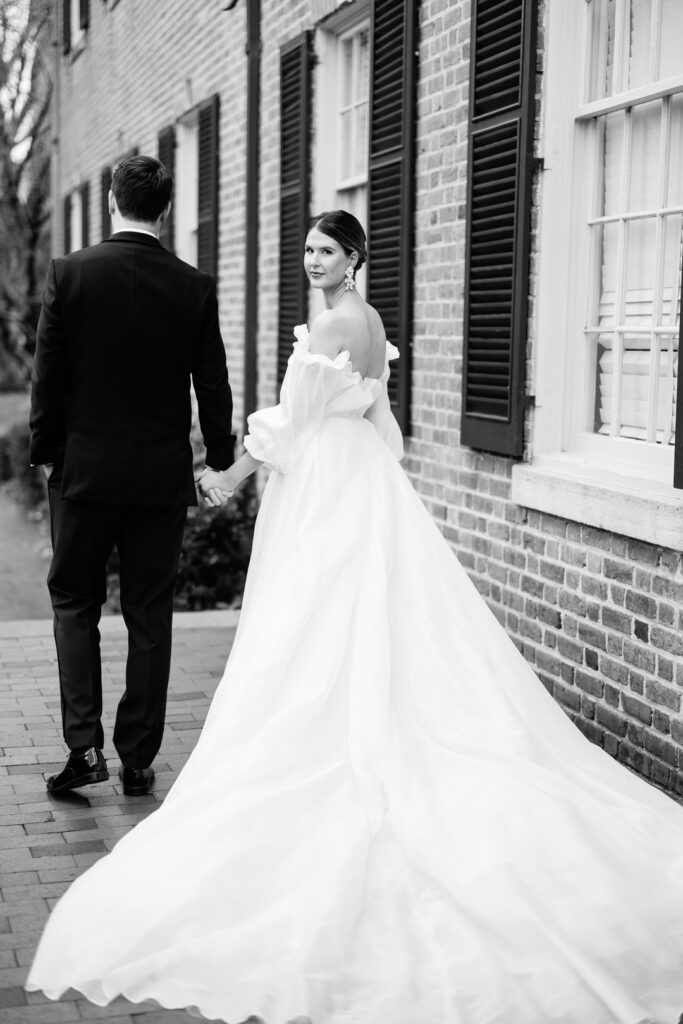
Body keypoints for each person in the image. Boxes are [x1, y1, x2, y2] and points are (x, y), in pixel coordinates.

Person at [27, 210, 683, 1024]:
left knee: (312, 621)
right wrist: (372, 475)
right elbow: (380, 422)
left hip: (323, 489)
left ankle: (327, 738)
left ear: (354, 258)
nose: (311, 261)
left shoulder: (334, 325)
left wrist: (228, 479)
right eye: (306, 249)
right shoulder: (370, 322)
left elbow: (293, 425)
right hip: (362, 482)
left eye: (326, 251)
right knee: (368, 614)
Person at [29, 155, 235, 798]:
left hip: (82, 474)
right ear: (166, 210)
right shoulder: (193, 286)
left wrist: (43, 452)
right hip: (159, 479)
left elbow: (48, 377)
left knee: (74, 603)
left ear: (112, 201)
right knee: (150, 614)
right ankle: (138, 758)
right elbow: (214, 386)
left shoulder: (70, 274)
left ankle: (83, 747)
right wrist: (220, 459)